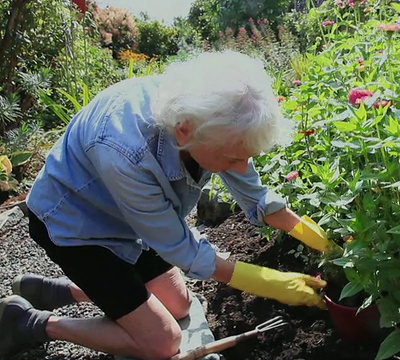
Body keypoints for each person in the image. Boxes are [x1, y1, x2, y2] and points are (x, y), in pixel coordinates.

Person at [0, 50, 335, 359]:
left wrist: (319, 240)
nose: (240, 166)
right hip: (75, 226)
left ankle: (59, 291)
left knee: (179, 303)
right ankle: (31, 322)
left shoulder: (207, 112)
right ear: (185, 131)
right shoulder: (124, 151)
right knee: (163, 341)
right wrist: (268, 282)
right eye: (233, 158)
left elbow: (256, 195)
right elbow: (182, 250)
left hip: (128, 220)